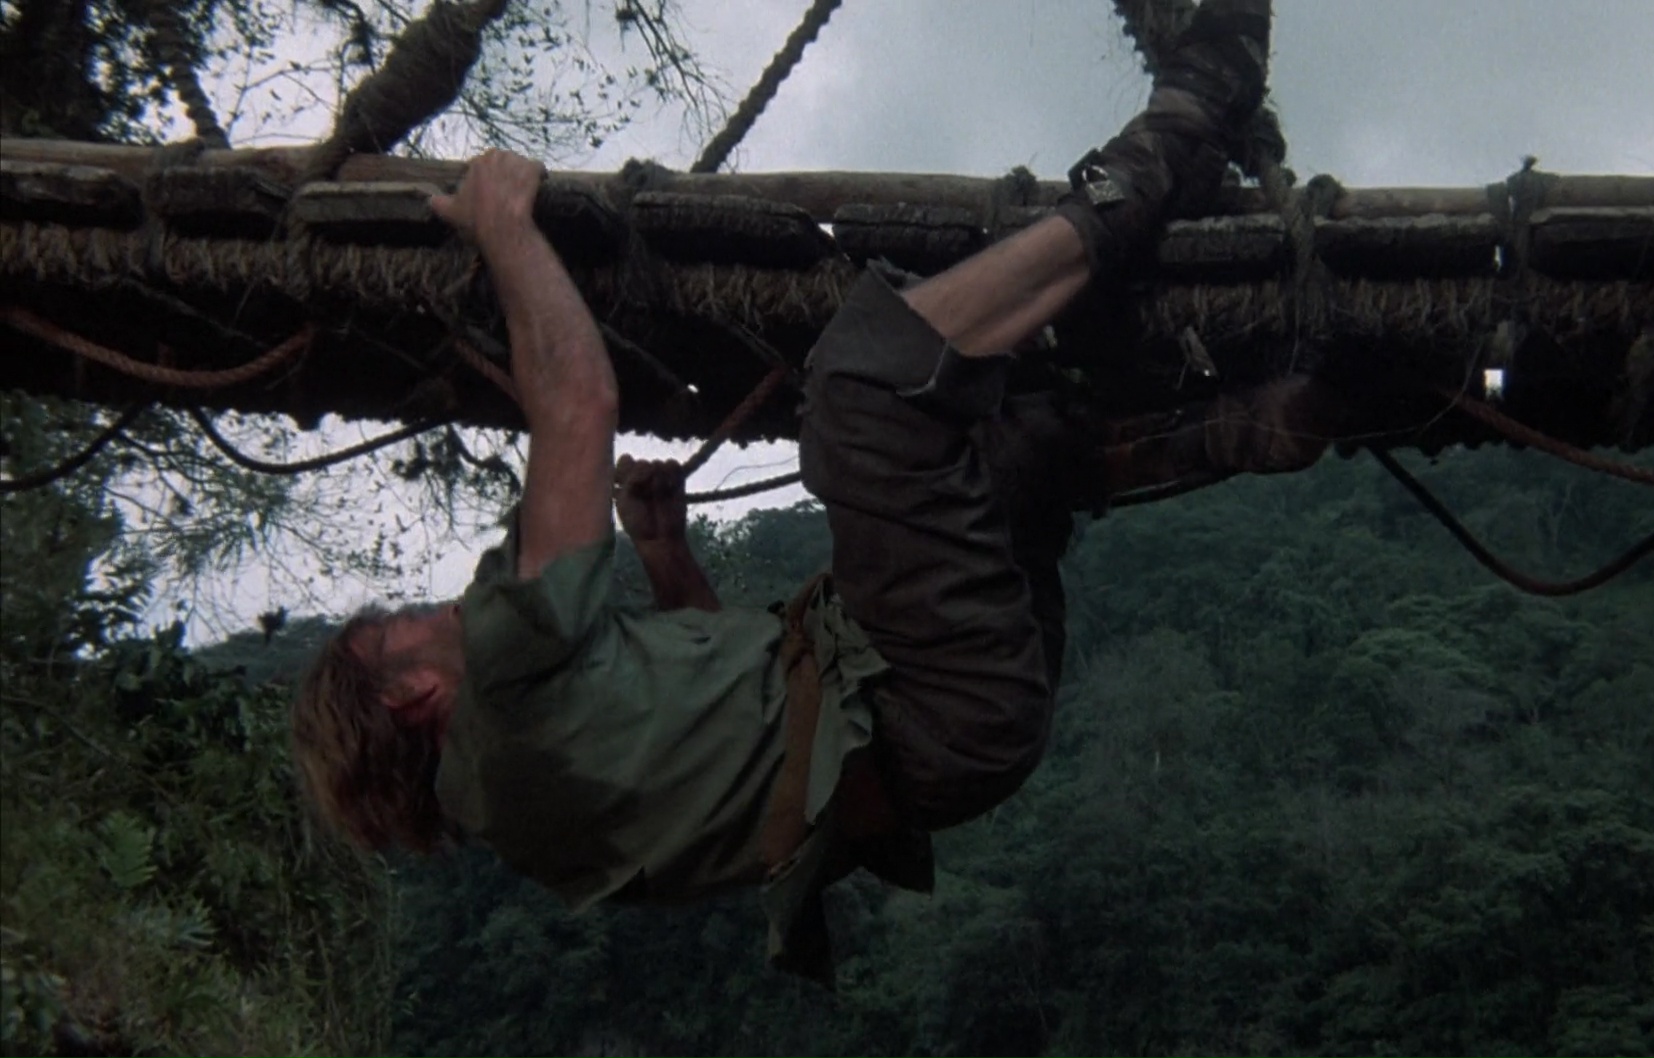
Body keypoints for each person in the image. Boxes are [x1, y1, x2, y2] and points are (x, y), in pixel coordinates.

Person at [292, 0, 1336, 982]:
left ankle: (1224, 430)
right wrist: (505, 229)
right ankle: (1177, 136)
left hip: (963, 740)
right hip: (927, 697)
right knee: (865, 383)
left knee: (995, 447)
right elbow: (576, 401)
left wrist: (665, 556)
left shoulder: (538, 833)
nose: (435, 609)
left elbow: (759, 730)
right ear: (410, 694)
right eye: (402, 625)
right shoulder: (504, 675)